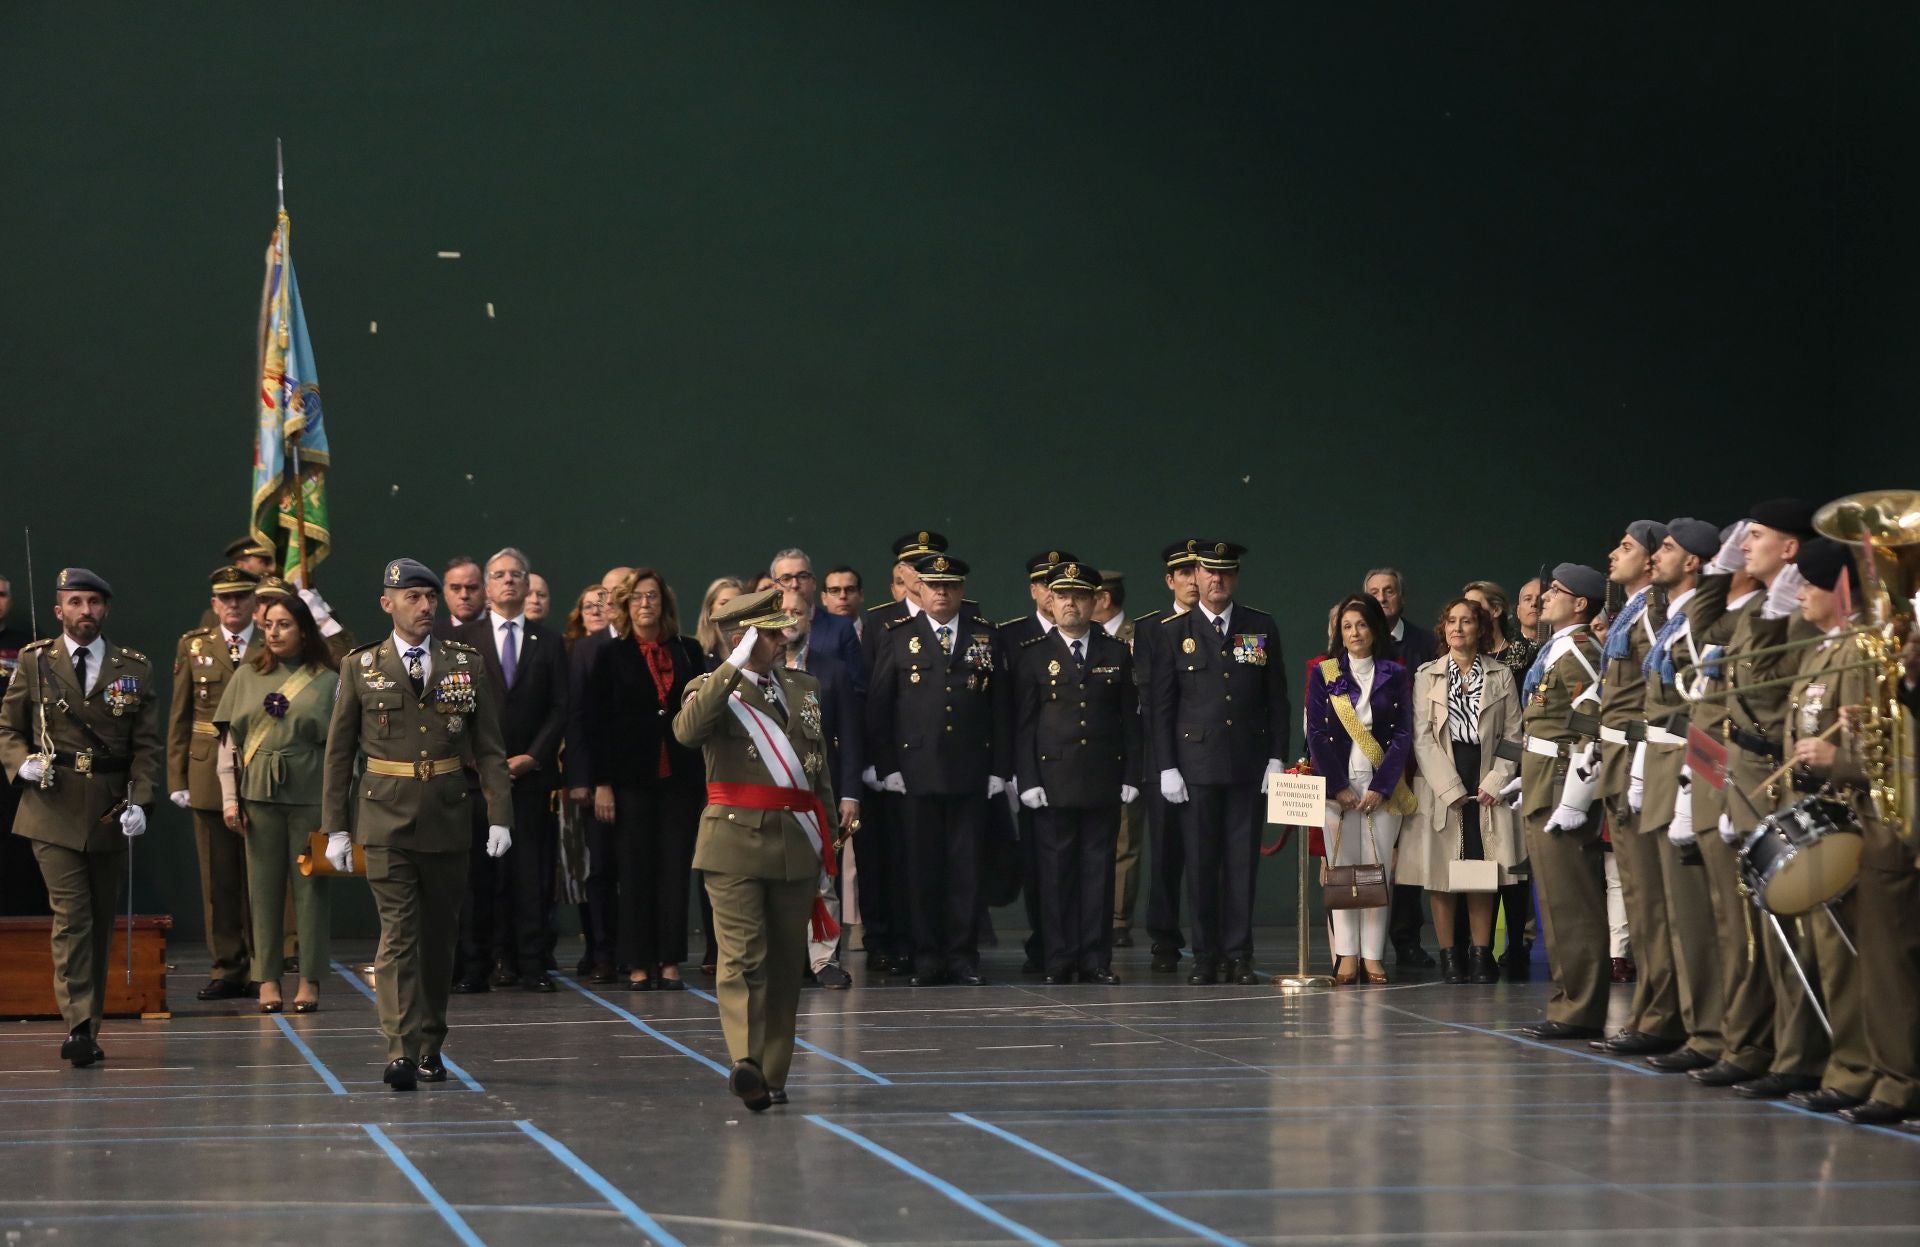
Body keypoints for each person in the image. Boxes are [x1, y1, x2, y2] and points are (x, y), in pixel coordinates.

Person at [321, 558, 512, 1091]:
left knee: (437, 939)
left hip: (448, 816)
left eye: (430, 596)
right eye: (413, 596)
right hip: (384, 818)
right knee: (399, 935)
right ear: (388, 604)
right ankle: (401, 1049)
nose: (425, 605)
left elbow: (491, 750)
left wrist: (499, 816)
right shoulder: (360, 668)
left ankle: (431, 1043)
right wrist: (335, 829)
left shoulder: (464, 664)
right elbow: (338, 756)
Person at [673, 588, 840, 1112]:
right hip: (733, 842)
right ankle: (745, 1061)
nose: (780, 637)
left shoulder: (804, 686)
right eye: (767, 632)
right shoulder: (709, 687)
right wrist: (734, 666)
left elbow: (817, 771)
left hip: (796, 842)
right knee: (743, 957)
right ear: (740, 637)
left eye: (778, 629)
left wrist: (828, 842)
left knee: (788, 964)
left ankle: (771, 1073)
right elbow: (687, 732)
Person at [0, 568, 159, 1067]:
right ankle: (80, 1026)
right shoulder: (35, 662)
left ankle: (89, 1017)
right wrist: (17, 761)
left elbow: (146, 747)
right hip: (51, 805)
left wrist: (142, 801)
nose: (84, 611)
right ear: (58, 610)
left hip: (109, 809)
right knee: (71, 916)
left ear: (105, 609)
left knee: (98, 918)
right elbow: (8, 725)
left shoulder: (133, 667)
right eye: (75, 602)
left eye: (93, 602)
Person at [1698, 500, 1830, 1100]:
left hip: (1776, 775)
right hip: (1741, 773)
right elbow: (1708, 632)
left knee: (1791, 925)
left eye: (1755, 537)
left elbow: (1787, 696)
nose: (1743, 545)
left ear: (1792, 548)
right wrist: (1724, 570)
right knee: (1756, 926)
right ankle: (1767, 1044)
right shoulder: (1758, 605)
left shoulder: (1801, 609)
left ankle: (1797, 1052)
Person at [1151, 540, 1290, 986]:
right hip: (1195, 767)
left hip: (1247, 764)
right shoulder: (1174, 630)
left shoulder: (1259, 624)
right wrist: (1167, 766)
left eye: (1226, 573)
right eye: (1209, 573)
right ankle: (1205, 955)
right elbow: (1162, 707)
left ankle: (1239, 954)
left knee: (1241, 865)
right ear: (1195, 576)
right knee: (1201, 863)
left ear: (1235, 577)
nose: (1217, 580)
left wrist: (1275, 757)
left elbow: (1277, 700)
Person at [867, 552, 1004, 986]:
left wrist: (1000, 767)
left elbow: (1000, 707)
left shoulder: (984, 636)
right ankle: (926, 955)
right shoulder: (897, 635)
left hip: (970, 769)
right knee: (920, 868)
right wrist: (887, 766)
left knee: (966, 870)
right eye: (933, 586)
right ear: (918, 590)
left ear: (962, 591)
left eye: (950, 586)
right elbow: (880, 706)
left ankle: (962, 956)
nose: (941, 592)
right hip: (915, 771)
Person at [1631, 517, 1733, 1074]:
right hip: (1666, 761)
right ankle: (1697, 1027)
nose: (1656, 557)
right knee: (1674, 911)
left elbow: (1706, 711)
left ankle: (1711, 1030)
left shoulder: (1697, 620)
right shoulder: (1673, 617)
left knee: (1696, 913)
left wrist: (1699, 786)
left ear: (1693, 561)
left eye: (1667, 549)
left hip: (1691, 766)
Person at [212, 593, 340, 1014]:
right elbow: (229, 743)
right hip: (258, 796)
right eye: (268, 625)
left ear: (304, 629)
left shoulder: (327, 679)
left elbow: (344, 749)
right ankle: (266, 978)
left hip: (311, 797)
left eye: (283, 624)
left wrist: (338, 809)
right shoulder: (246, 676)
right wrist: (230, 799)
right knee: (262, 891)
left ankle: (310, 979)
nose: (273, 632)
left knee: (312, 890)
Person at [1013, 563, 1140, 984]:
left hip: (1102, 780)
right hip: (1052, 783)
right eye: (1063, 595)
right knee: (1055, 875)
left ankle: (1094, 959)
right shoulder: (1033, 654)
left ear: (1094, 602)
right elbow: (1024, 724)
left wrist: (1131, 775)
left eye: (1080, 596)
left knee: (1098, 874)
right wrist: (1027, 779)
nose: (1071, 603)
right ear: (1050, 601)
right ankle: (1059, 958)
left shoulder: (1115, 652)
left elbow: (1130, 722)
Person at [584, 568, 706, 991]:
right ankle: (637, 964)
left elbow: (702, 713)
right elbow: (595, 722)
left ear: (664, 603)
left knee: (674, 869)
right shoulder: (611, 656)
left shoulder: (688, 651)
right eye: (637, 598)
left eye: (652, 596)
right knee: (633, 871)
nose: (645, 604)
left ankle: (670, 962)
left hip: (679, 778)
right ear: (625, 605)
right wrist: (601, 783)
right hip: (629, 778)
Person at [455, 547, 569, 992]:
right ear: (486, 587)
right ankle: (474, 966)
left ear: (526, 585)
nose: (508, 582)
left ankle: (530, 963)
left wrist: (533, 756)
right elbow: (455, 707)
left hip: (530, 778)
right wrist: (478, 758)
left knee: (529, 876)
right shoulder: (464, 642)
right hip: (477, 780)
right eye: (499, 575)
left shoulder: (550, 641)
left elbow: (560, 708)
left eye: (515, 575)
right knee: (477, 878)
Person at [1593, 519, 1686, 1058]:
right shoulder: (1632, 611)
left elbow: (1657, 697)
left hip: (1644, 758)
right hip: (1620, 756)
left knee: (1651, 900)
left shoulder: (1655, 613)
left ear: (1651, 561)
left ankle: (1663, 1014)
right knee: (1639, 896)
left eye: (1626, 546)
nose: (1614, 553)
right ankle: (1654, 1011)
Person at [1514, 564, 1611, 1041]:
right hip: (1540, 780)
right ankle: (1569, 1000)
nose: (1544, 597)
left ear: (1580, 604)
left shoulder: (1583, 652)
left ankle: (1581, 1005)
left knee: (1573, 901)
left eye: (1557, 591)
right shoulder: (1555, 650)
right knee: (1554, 902)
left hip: (1561, 786)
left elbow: (1594, 727)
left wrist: (1575, 795)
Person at [1405, 597, 1522, 984]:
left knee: (1481, 868)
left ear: (1480, 628)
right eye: (1451, 621)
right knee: (1442, 872)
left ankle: (1480, 953)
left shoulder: (1501, 675)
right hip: (1443, 779)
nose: (1458, 628)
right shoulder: (1428, 674)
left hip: (1486, 775)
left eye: (1467, 621)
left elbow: (1512, 737)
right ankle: (1450, 955)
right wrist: (1449, 786)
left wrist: (1495, 781)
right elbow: (1422, 738)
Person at [1306, 594, 1414, 984]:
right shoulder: (1326, 672)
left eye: (1362, 625)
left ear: (1375, 629)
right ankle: (1346, 954)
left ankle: (1373, 955)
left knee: (1378, 872)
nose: (1354, 633)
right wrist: (1338, 787)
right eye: (1347, 626)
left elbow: (1403, 733)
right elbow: (1316, 734)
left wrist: (1382, 787)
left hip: (1379, 787)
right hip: (1338, 788)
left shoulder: (1395, 673)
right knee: (1342, 871)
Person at [167, 565, 264, 1000]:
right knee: (219, 880)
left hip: (264, 768)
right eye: (225, 598)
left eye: (242, 597)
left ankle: (267, 966)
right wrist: (177, 776)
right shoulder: (195, 647)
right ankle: (228, 966)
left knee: (263, 878)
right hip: (208, 770)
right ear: (214, 604)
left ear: (254, 602)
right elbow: (180, 715)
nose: (233, 605)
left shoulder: (272, 642)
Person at [858, 530, 949, 977]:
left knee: (939, 860)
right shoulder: (880, 622)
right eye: (912, 567)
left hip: (945, 762)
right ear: (900, 574)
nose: (919, 574)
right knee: (890, 856)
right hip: (895, 762)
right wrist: (879, 761)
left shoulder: (963, 616)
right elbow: (873, 697)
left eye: (928, 565)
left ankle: (933, 945)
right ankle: (887, 941)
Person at [775, 572, 864, 989]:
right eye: (783, 613)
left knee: (824, 875)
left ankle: (824, 959)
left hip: (820, 792)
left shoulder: (833, 670)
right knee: (777, 878)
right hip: (770, 792)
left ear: (812, 619)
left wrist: (849, 794)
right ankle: (785, 958)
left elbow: (850, 735)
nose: (790, 619)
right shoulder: (756, 668)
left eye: (798, 612)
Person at [1001, 549, 1076, 975]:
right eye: (1049, 584)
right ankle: (1043, 941)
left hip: (1075, 769)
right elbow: (1007, 710)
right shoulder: (1011, 636)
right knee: (1038, 863)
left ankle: (1073, 946)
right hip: (1026, 768)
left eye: (1065, 587)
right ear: (1035, 590)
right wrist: (1011, 770)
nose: (1056, 594)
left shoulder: (1092, 636)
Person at [1134, 541, 1201, 972]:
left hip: (1208, 755)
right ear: (1170, 580)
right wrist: (1162, 764)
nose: (1194, 581)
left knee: (1206, 854)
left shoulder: (1223, 626)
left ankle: (1209, 937)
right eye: (1184, 573)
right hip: (1163, 756)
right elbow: (1148, 695)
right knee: (1165, 853)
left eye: (1199, 572)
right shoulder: (1151, 627)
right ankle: (1163, 937)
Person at [1093, 569, 1142, 947]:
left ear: (1104, 599)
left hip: (1130, 749)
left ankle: (1117, 918)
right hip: (1091, 751)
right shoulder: (1086, 639)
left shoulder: (1139, 637)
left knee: (1125, 839)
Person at [769, 548, 863, 692]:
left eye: (802, 576)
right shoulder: (763, 631)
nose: (794, 584)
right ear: (775, 586)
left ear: (813, 582)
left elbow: (858, 689)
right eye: (786, 579)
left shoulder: (841, 628)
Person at [696, 577, 747, 667]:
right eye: (724, 603)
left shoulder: (757, 650)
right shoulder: (695, 651)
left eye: (737, 604)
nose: (731, 609)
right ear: (710, 609)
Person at [437, 556, 486, 633]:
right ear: (445, 593)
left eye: (472, 588)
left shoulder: (504, 631)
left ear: (485, 591)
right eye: (456, 588)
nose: (464, 595)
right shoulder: (430, 636)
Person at [821, 566, 865, 635]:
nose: (843, 596)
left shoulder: (877, 636)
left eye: (850, 589)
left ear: (861, 595)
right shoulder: (810, 639)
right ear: (824, 598)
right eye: (835, 591)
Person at [1514, 577, 1545, 647]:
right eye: (1528, 599)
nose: (1534, 603)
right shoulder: (1505, 646)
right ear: (1518, 611)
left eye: (1541, 599)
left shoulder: (1561, 646)